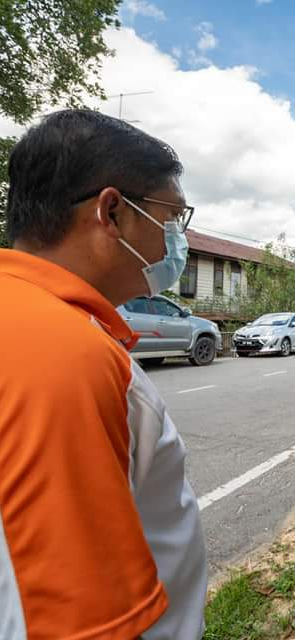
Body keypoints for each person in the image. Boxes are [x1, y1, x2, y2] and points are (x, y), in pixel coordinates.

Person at [0, 109, 207, 639]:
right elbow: (73, 619)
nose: (176, 241)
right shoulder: (64, 352)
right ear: (111, 213)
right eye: (171, 218)